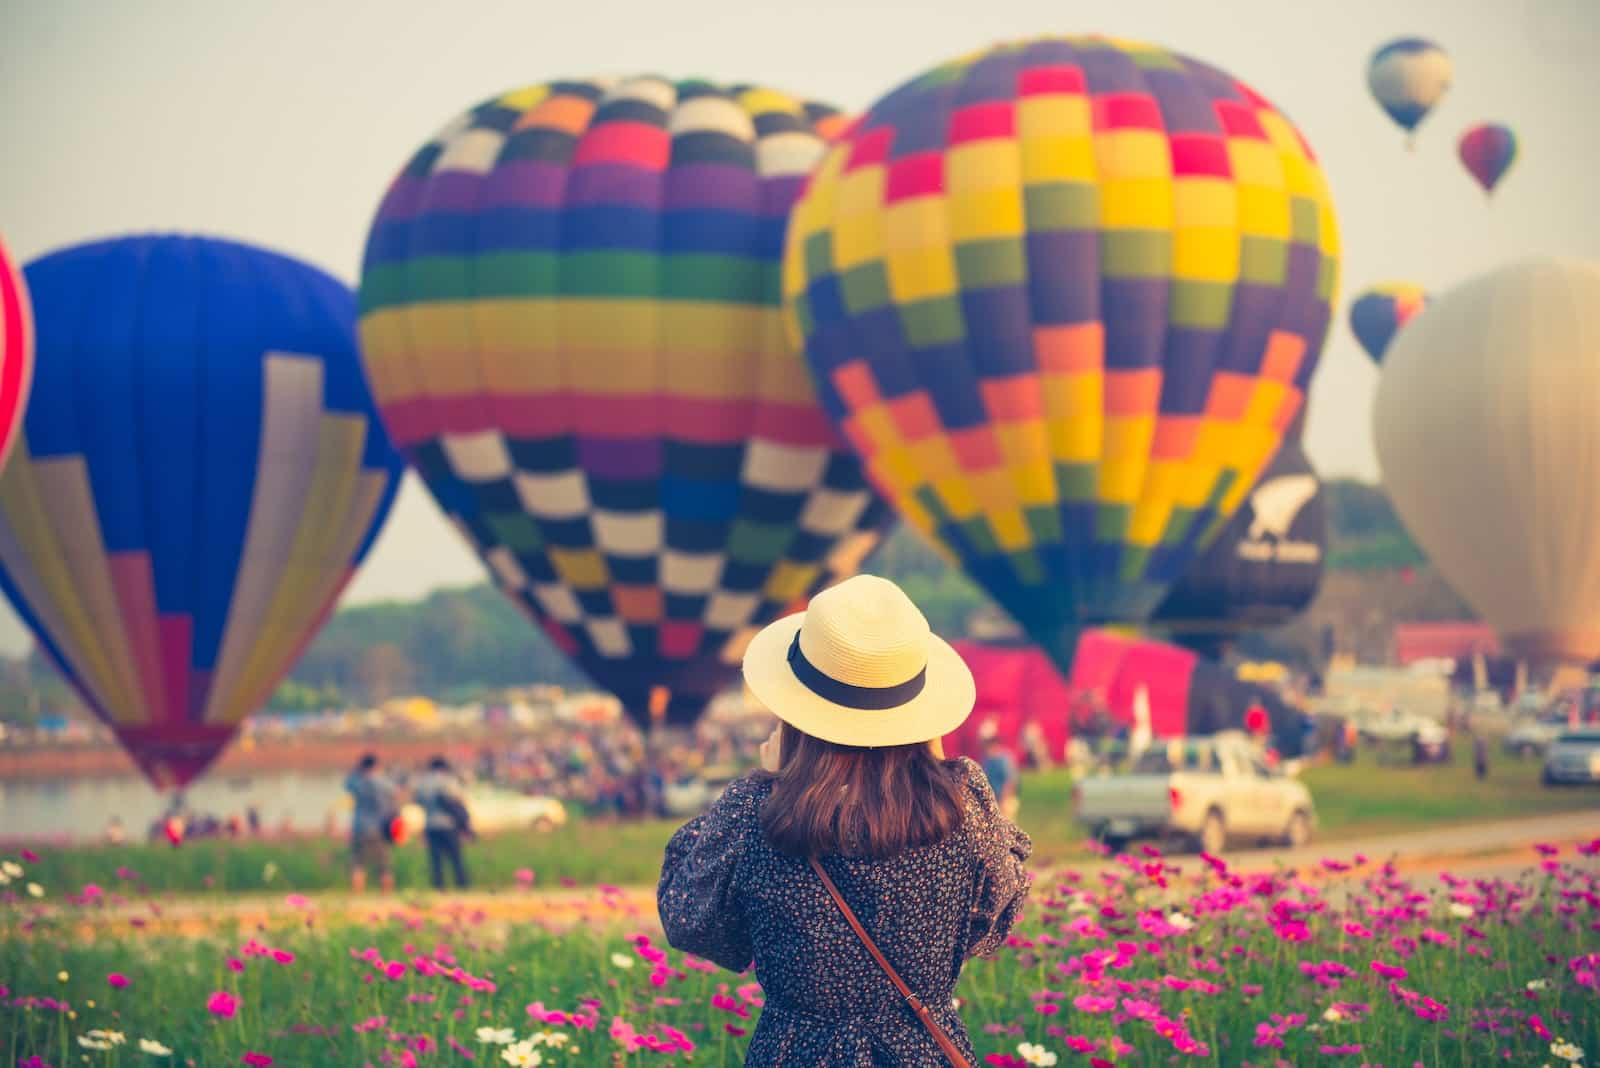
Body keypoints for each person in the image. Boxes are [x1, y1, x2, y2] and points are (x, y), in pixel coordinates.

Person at [658, 574, 1032, 1066]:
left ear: (796, 710)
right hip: (923, 1052)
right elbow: (995, 916)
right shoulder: (963, 803)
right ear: (919, 713)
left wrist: (762, 782)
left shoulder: (756, 812)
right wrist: (943, 770)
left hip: (794, 1053)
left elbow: (690, 917)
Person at [413, 756, 473, 890]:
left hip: (430, 824)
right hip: (448, 824)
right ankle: (462, 885)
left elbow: (417, 801)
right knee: (456, 858)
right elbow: (458, 800)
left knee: (436, 860)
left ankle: (439, 887)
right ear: (444, 767)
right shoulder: (447, 781)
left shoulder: (423, 783)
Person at [345, 752, 398, 894]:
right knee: (384, 864)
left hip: (360, 826)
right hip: (380, 827)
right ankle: (386, 894)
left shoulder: (357, 782)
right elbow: (395, 794)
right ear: (376, 766)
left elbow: (347, 783)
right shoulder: (384, 782)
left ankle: (358, 893)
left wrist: (357, 770)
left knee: (358, 863)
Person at [981, 735, 1021, 821]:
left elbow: (1011, 781)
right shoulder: (987, 761)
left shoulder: (1004, 760)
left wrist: (1004, 798)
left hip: (1006, 799)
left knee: (1007, 824)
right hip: (994, 799)